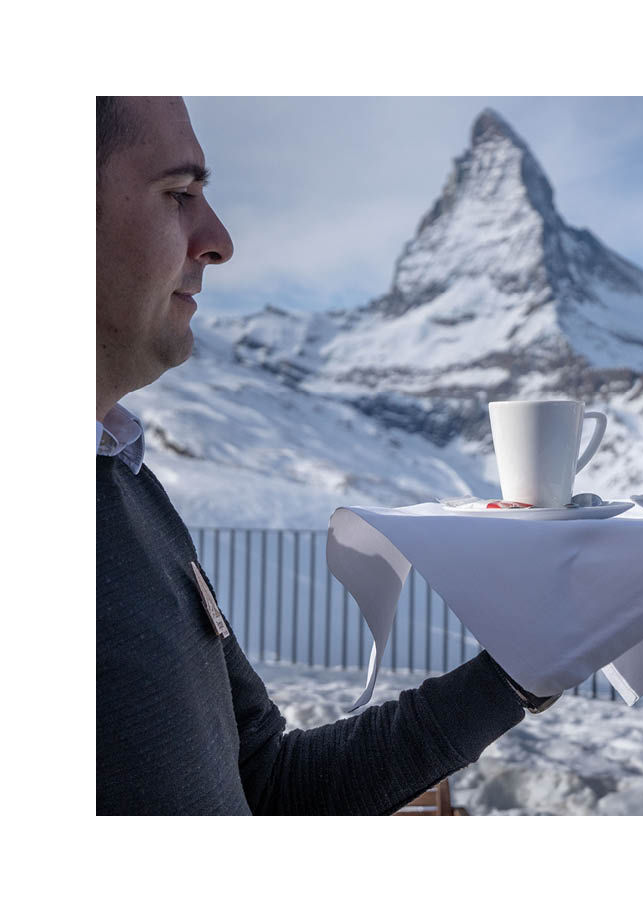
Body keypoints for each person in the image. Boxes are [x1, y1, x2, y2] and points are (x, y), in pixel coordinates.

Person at [96, 96, 559, 815]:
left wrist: (514, 677)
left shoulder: (126, 485)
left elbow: (266, 783)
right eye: (180, 194)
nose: (219, 240)